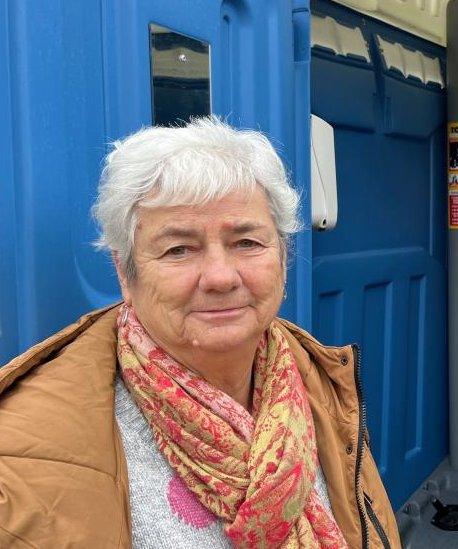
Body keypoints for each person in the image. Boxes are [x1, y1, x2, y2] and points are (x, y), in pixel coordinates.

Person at [0, 117, 399, 548]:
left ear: (283, 259)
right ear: (125, 274)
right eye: (179, 249)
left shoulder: (318, 377)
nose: (220, 277)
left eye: (247, 242)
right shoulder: (22, 452)